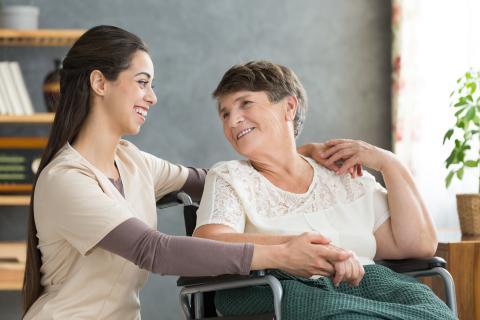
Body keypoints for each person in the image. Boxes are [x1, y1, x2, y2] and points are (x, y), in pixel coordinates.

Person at [21, 26, 359, 319]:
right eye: (142, 82)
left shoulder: (132, 162)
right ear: (99, 82)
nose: (151, 97)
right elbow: (154, 251)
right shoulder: (65, 179)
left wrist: (295, 156)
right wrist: (282, 254)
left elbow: (222, 180)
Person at [193, 61, 456, 319]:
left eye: (245, 103)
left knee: (435, 312)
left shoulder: (341, 175)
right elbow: (208, 243)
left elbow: (417, 245)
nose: (233, 120)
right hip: (281, 288)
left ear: (289, 107)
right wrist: (304, 249)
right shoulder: (230, 176)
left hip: (366, 285)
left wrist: (389, 163)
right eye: (224, 113)